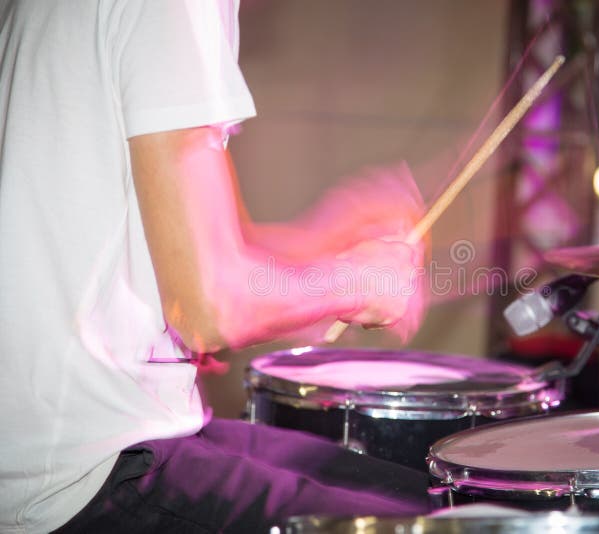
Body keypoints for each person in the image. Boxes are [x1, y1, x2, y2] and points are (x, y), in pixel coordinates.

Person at [0, 1, 429, 532]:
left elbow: (166, 246)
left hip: (64, 443)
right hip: (86, 475)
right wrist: (360, 281)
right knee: (432, 521)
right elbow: (209, 307)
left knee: (427, 499)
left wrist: (322, 246)